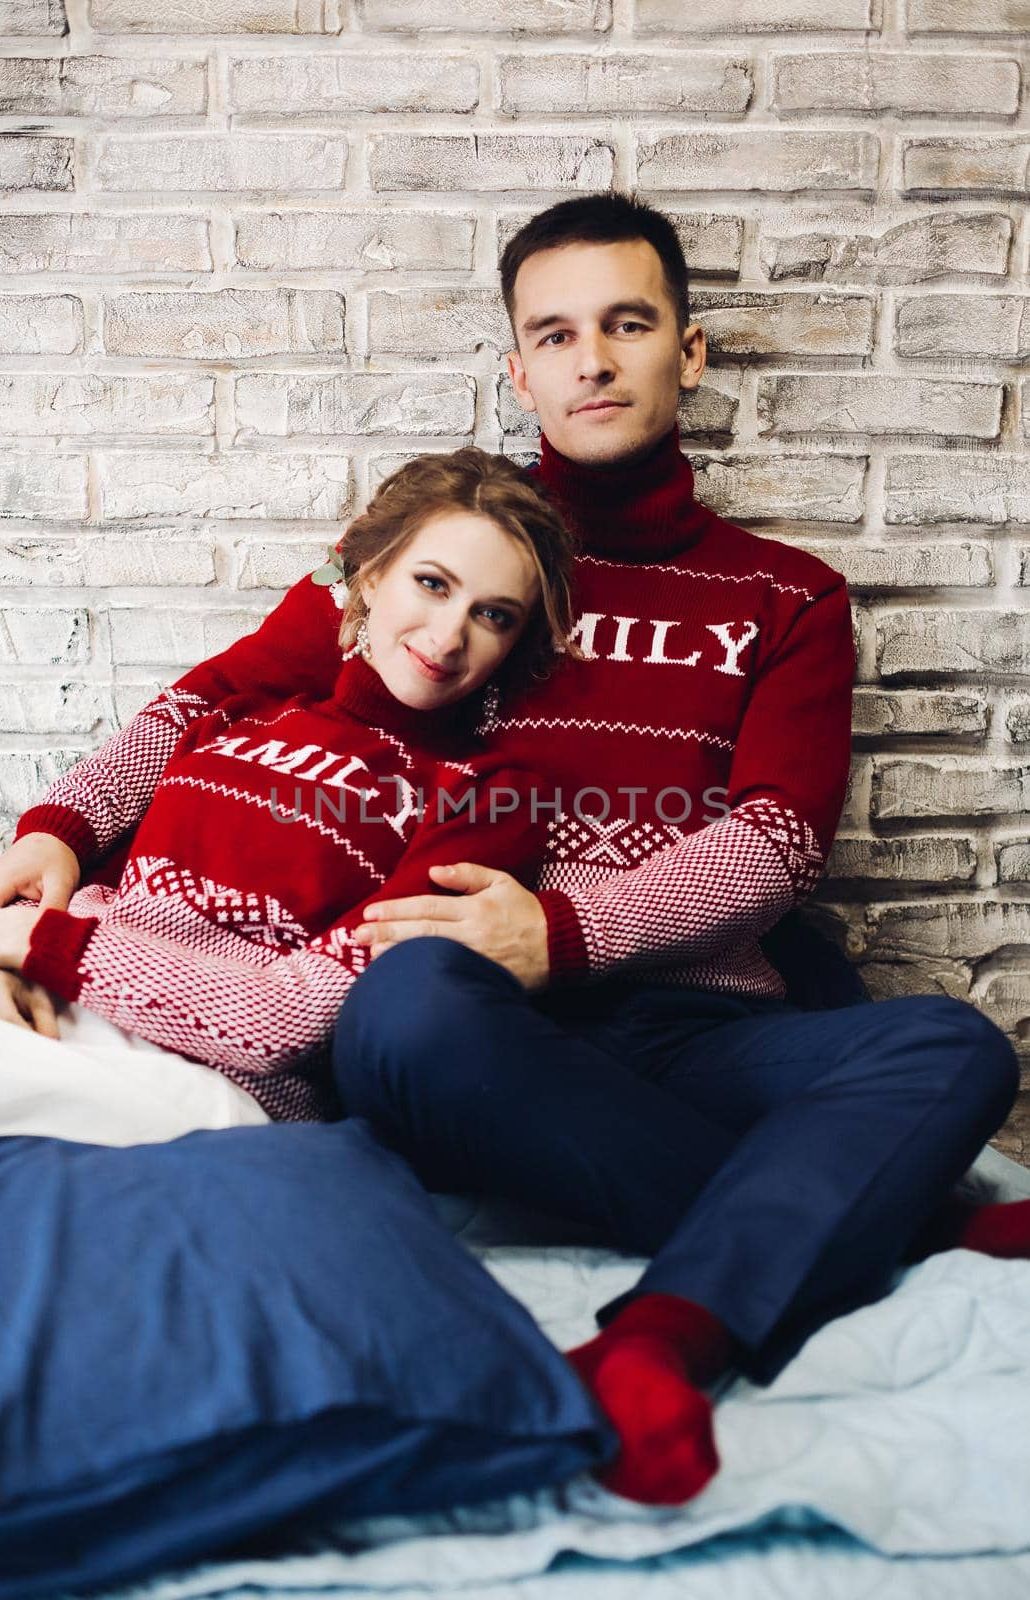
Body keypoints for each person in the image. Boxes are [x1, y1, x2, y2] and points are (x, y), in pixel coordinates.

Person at [317, 194, 1025, 1505]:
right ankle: (895, 1218)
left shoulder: (785, 594)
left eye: (626, 323)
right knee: (400, 1007)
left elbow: (772, 845)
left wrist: (571, 929)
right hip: (478, 1023)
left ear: (684, 352)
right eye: (555, 333)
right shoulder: (448, 565)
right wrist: (62, 838)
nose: (591, 360)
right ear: (517, 367)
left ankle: (658, 1342)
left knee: (949, 1047)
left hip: (701, 1031)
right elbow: (243, 705)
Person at [0, 448, 577, 1144]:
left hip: (206, 1086)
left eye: (493, 615)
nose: (447, 636)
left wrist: (20, 940)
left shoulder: (484, 799)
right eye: (432, 583)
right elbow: (65, 868)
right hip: (47, 1016)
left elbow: (282, 1022)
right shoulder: (237, 712)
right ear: (369, 575)